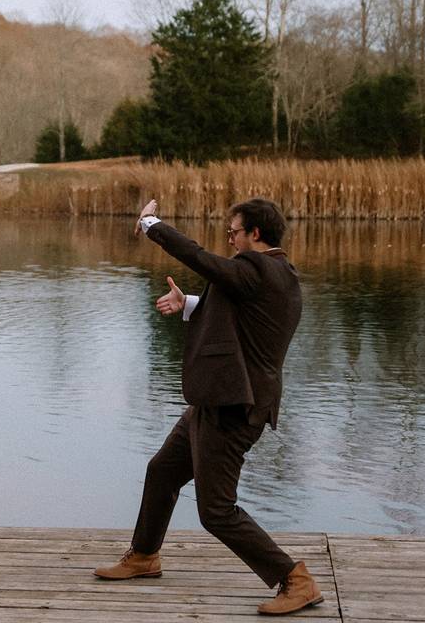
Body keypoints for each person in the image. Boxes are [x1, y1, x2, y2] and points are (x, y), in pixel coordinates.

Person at [93, 198, 322, 616]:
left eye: (234, 232)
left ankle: (295, 579)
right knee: (162, 471)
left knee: (216, 510)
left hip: (234, 408)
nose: (230, 239)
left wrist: (152, 224)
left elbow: (200, 258)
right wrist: (191, 305)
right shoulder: (277, 274)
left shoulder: (257, 269)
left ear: (255, 234)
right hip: (217, 400)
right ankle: (144, 556)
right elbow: (242, 316)